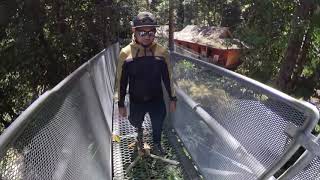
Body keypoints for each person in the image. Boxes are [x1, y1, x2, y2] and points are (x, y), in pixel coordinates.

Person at [116, 11, 177, 155]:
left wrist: (173, 98)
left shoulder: (162, 52)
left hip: (156, 99)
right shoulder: (125, 54)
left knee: (158, 123)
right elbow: (121, 81)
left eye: (151, 33)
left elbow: (169, 77)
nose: (147, 37)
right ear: (134, 32)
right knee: (135, 121)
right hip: (136, 100)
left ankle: (157, 143)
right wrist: (120, 103)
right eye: (142, 33)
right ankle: (140, 136)